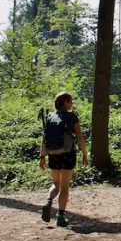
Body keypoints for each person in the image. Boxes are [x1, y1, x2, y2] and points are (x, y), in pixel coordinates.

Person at [39, 92, 89, 227]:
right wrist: (85, 154)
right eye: (71, 101)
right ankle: (60, 216)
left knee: (55, 183)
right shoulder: (72, 117)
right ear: (65, 102)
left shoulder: (50, 117)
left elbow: (44, 139)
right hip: (68, 154)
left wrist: (42, 157)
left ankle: (48, 201)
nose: (72, 103)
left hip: (53, 154)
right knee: (65, 187)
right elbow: (80, 138)